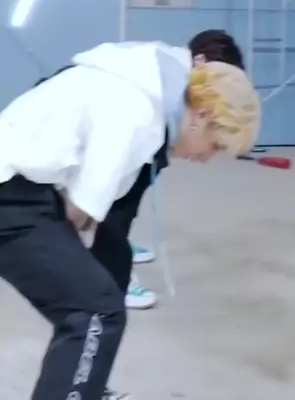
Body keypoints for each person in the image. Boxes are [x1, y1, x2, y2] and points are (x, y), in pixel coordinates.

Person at [0, 33, 260, 400]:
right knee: (95, 310)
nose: (206, 158)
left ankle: (83, 383)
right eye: (215, 145)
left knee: (110, 266)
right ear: (201, 116)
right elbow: (79, 215)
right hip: (10, 191)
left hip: (27, 183)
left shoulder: (154, 78)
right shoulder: (139, 116)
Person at [125, 31, 246, 313]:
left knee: (129, 189)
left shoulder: (174, 70)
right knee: (117, 197)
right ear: (200, 61)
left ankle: (115, 244)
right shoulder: (170, 85)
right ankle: (114, 272)